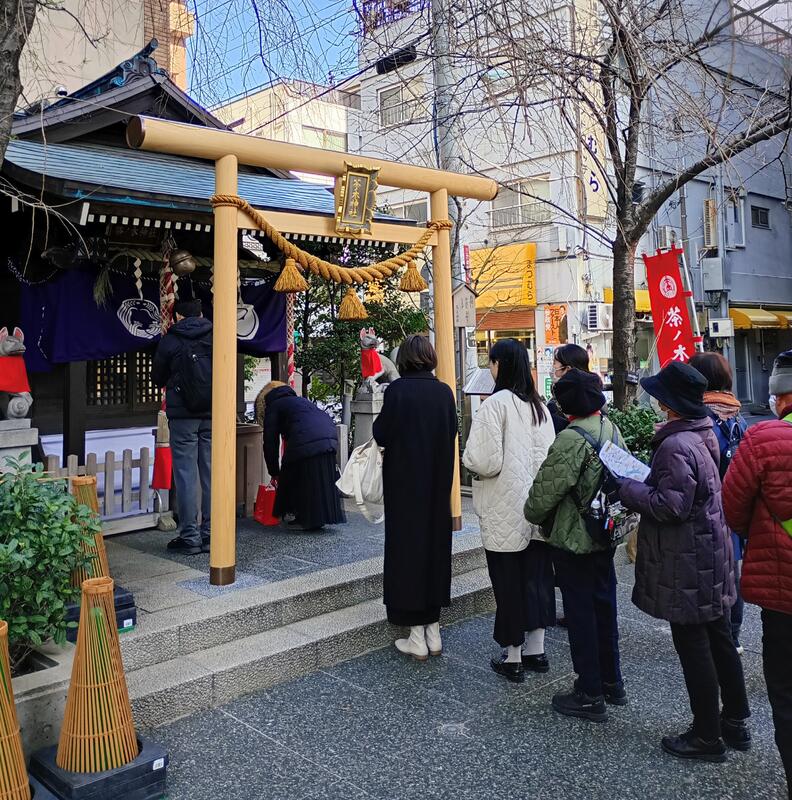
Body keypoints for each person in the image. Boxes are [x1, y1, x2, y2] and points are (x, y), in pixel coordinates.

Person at [618, 361, 749, 762]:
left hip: (688, 559)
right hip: (711, 552)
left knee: (693, 644)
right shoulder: (703, 431)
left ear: (670, 404)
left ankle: (707, 735)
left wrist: (628, 488)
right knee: (719, 637)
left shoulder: (676, 444)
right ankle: (735, 721)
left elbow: (671, 505)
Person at [524, 369, 626, 721]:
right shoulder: (610, 428)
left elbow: (540, 499)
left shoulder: (570, 438)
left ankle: (589, 692)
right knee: (604, 608)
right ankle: (612, 681)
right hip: (605, 533)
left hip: (574, 539)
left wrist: (535, 514)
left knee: (580, 614)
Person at [463, 339, 556, 683]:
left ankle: (513, 656)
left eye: (491, 363)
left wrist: (467, 460)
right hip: (539, 507)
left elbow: (483, 461)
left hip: (505, 507)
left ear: (499, 365)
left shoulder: (494, 405)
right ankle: (536, 650)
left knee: (508, 582)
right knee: (538, 579)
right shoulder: (540, 407)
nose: (490, 369)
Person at [723, 349, 792, 797]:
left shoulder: (762, 439)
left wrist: (762, 532)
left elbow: (732, 508)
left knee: (785, 692)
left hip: (781, 588)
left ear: (780, 397)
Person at [372, 335, 457, 660]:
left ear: (404, 359)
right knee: (435, 550)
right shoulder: (444, 392)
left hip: (405, 487)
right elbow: (451, 433)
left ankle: (416, 635)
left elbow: (381, 433)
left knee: (407, 553)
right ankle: (433, 630)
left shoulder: (398, 391)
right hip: (438, 486)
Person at [689, 351, 748, 653]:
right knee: (732, 572)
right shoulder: (737, 416)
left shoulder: (701, 421)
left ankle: (720, 639)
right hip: (735, 507)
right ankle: (733, 636)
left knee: (712, 576)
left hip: (708, 511)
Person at [152, 298, 213, 555]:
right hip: (212, 412)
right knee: (211, 471)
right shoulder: (215, 335)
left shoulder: (171, 340)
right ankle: (211, 533)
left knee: (186, 474)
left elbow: (157, 377)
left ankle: (190, 536)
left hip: (183, 415)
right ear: (201, 314)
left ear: (177, 316)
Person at [258, 381, 345, 531]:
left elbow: (270, 442)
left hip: (306, 437)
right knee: (318, 478)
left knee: (294, 473)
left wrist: (274, 471)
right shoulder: (300, 401)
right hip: (328, 435)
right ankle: (316, 518)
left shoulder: (274, 406)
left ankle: (302, 516)